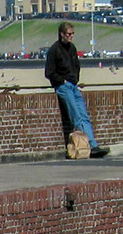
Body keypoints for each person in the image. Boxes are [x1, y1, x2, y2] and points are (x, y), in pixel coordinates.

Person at [45, 23, 108, 158]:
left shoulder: (72, 48)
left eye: (73, 33)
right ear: (62, 34)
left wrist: (75, 79)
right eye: (68, 34)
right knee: (76, 117)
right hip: (63, 87)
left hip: (73, 85)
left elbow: (76, 66)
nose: (71, 36)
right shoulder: (54, 50)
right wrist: (62, 81)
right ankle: (89, 145)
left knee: (84, 116)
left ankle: (93, 145)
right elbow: (49, 72)